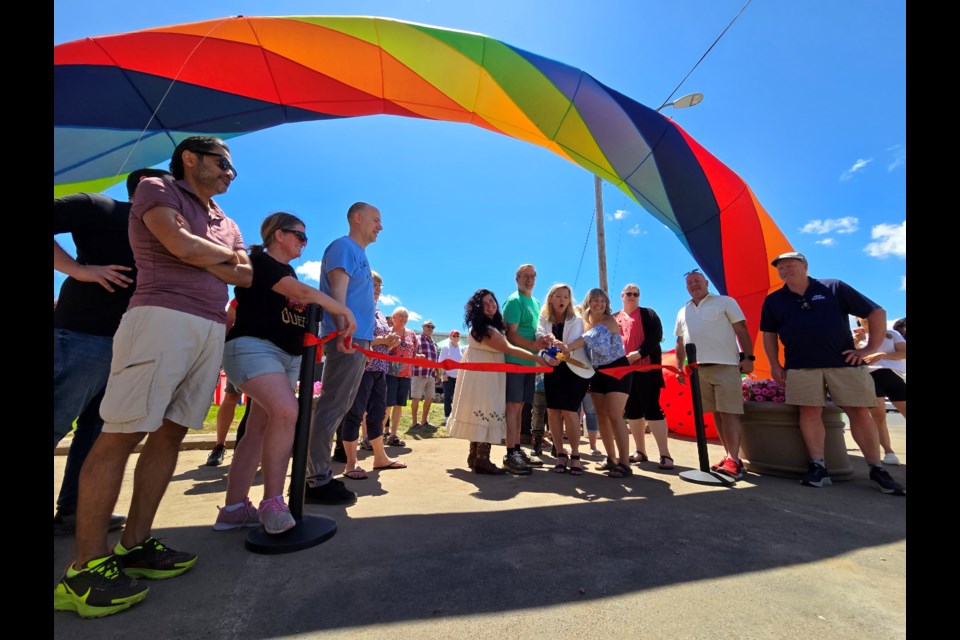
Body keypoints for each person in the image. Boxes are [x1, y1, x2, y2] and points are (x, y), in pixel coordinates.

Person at [54, 136, 251, 618]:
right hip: (157, 318)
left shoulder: (227, 218)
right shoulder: (157, 189)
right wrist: (212, 255)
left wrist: (209, 255)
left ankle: (134, 545)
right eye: (224, 163)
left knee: (170, 432)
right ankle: (85, 567)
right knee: (119, 434)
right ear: (191, 158)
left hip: (206, 328)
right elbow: (178, 245)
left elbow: (245, 273)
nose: (231, 174)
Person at [214, 212, 357, 534]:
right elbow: (304, 294)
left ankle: (234, 508)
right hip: (254, 348)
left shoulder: (286, 271)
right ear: (278, 235)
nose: (304, 243)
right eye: (299, 236)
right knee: (285, 411)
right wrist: (343, 309)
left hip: (287, 356)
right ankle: (273, 502)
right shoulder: (260, 262)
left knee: (258, 429)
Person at [53, 167, 170, 536]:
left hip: (127, 348)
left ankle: (73, 512)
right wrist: (78, 270)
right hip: (80, 336)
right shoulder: (100, 207)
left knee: (94, 433)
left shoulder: (164, 234)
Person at [760, 251, 905, 495]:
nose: (784, 270)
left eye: (789, 265)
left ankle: (876, 468)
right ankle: (818, 466)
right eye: (780, 268)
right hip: (800, 366)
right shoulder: (774, 300)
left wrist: (869, 348)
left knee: (859, 412)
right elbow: (769, 334)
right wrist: (774, 364)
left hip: (843, 364)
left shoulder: (833, 286)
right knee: (808, 412)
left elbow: (876, 312)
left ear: (805, 265)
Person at [305, 202, 383, 505]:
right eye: (376, 220)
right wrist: (342, 331)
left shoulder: (359, 254)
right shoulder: (344, 247)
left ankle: (318, 475)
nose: (380, 226)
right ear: (358, 218)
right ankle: (317, 479)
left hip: (357, 340)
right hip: (346, 339)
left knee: (340, 406)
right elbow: (336, 294)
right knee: (331, 406)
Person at [446, 289, 550, 474]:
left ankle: (475, 456)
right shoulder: (483, 328)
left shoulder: (490, 326)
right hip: (484, 377)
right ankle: (482, 459)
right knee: (487, 411)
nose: (490, 305)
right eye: (485, 303)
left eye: (492, 301)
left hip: (488, 374)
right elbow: (507, 348)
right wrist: (536, 358)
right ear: (478, 308)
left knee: (483, 412)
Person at [674, 269, 755, 479]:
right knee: (717, 414)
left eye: (697, 281)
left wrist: (749, 358)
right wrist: (678, 366)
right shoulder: (683, 311)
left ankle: (734, 460)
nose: (694, 285)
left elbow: (742, 329)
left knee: (729, 412)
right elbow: (680, 342)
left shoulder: (725, 302)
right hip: (698, 368)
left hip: (726, 365)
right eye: (689, 283)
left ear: (706, 282)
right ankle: (730, 457)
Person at [559, 288, 634, 478]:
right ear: (588, 303)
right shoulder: (583, 322)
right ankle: (611, 459)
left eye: (602, 301)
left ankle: (624, 463)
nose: (599, 304)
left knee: (615, 414)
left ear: (607, 304)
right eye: (595, 300)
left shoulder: (610, 321)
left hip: (618, 370)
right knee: (601, 416)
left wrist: (568, 348)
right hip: (598, 373)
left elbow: (587, 340)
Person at [339, 270, 405, 480]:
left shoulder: (377, 312)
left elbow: (378, 339)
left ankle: (380, 457)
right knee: (355, 413)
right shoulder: (357, 308)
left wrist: (391, 342)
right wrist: (383, 341)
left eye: (379, 285)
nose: (377, 289)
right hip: (362, 367)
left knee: (378, 415)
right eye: (373, 284)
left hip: (379, 369)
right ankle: (350, 463)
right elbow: (355, 338)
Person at [536, 283, 594, 475]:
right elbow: (539, 335)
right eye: (558, 296)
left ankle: (576, 455)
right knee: (552, 411)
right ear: (551, 298)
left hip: (574, 370)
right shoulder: (544, 317)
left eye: (565, 297)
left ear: (569, 301)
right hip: (553, 369)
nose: (562, 300)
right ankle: (560, 454)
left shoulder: (576, 318)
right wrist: (547, 343)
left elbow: (573, 344)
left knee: (570, 412)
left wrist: (558, 350)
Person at [614, 284, 673, 470]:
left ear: (639, 297)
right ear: (622, 296)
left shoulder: (649, 314)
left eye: (636, 294)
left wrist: (638, 354)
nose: (632, 296)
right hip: (624, 373)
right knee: (632, 411)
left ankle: (665, 454)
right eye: (629, 293)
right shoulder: (614, 317)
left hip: (647, 370)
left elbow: (656, 336)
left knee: (652, 408)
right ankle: (640, 451)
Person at [501, 264, 552, 473]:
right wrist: (533, 346)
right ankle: (510, 452)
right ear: (517, 278)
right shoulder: (514, 301)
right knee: (512, 407)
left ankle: (517, 448)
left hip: (530, 364)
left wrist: (542, 339)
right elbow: (510, 335)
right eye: (525, 276)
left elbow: (536, 330)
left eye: (533, 276)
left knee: (521, 407)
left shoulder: (536, 302)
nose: (530, 280)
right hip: (514, 362)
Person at [854, 316, 906, 466]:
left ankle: (888, 452)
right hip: (869, 376)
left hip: (893, 375)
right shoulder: (857, 337)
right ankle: (889, 452)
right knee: (878, 416)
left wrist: (882, 355)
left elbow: (903, 353)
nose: (867, 320)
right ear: (859, 321)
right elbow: (852, 359)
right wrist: (856, 343)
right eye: (863, 318)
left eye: (870, 317)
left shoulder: (891, 333)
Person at [208, 297, 241, 467]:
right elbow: (229, 318)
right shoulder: (243, 294)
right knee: (231, 397)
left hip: (270, 352)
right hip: (240, 350)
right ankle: (219, 446)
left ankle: (248, 451)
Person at [382, 306, 419, 446]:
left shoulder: (412, 334)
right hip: (389, 373)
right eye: (401, 316)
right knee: (387, 404)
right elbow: (383, 352)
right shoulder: (388, 332)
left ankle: (393, 435)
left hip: (406, 374)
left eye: (406, 317)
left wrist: (418, 357)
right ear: (394, 318)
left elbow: (414, 352)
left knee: (399, 404)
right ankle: (378, 436)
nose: (404, 319)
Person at [409, 319, 441, 431]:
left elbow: (435, 360)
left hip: (431, 374)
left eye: (432, 327)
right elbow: (411, 353)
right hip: (419, 372)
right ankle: (414, 422)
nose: (430, 329)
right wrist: (418, 355)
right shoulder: (417, 339)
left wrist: (437, 374)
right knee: (416, 397)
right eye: (428, 326)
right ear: (423, 327)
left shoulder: (433, 342)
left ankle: (424, 421)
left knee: (429, 398)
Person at [438, 330, 465, 425]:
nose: (456, 337)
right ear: (450, 337)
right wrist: (443, 374)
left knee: (457, 398)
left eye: (457, 336)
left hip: (458, 377)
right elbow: (441, 362)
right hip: (448, 377)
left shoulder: (462, 348)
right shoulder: (445, 347)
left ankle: (457, 417)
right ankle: (447, 416)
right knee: (447, 397)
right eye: (454, 336)